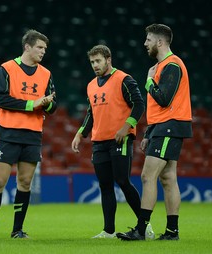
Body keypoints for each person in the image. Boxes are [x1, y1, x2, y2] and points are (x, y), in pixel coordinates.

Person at [117, 24, 192, 241]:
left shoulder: (172, 65)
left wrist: (149, 81)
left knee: (147, 176)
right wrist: (149, 132)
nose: (145, 43)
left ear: (160, 42)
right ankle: (172, 232)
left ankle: (141, 229)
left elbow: (164, 99)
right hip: (164, 126)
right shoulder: (162, 66)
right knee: (168, 177)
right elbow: (159, 107)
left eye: (148, 39)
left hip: (170, 125)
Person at [0, 29, 57, 239]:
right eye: (40, 47)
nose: (43, 51)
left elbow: (52, 104)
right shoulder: (6, 69)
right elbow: (1, 100)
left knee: (24, 182)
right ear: (27, 47)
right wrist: (34, 103)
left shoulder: (46, 73)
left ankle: (17, 230)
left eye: (45, 49)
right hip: (9, 134)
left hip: (32, 135)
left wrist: (47, 105)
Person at [71, 45, 151, 239]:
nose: (95, 65)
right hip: (99, 141)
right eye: (92, 62)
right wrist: (80, 133)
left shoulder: (124, 79)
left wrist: (126, 127)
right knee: (105, 186)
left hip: (120, 139)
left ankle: (144, 227)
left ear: (108, 59)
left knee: (122, 180)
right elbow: (91, 113)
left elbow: (139, 104)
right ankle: (108, 231)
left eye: (98, 61)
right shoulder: (91, 85)